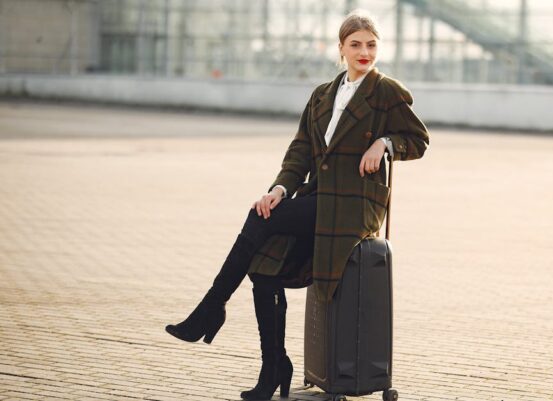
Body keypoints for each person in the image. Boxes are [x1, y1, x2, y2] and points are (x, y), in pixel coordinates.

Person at [165, 10, 429, 401]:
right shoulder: (322, 94)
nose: (364, 52)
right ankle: (274, 367)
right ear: (340, 48)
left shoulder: (386, 91)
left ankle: (211, 307)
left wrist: (385, 144)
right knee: (263, 267)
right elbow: (300, 151)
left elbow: (419, 140)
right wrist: (279, 190)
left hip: (355, 205)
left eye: (371, 44)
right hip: (318, 200)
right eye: (355, 44)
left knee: (258, 223)